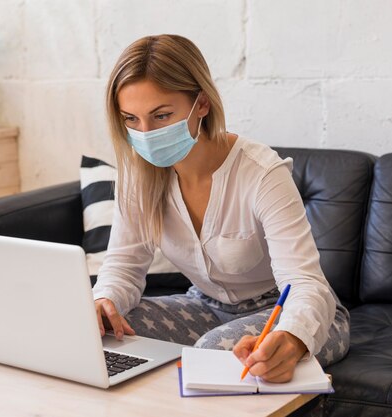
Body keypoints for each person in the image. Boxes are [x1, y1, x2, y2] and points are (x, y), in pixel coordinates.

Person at [92, 34, 350, 383]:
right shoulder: (137, 177)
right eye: (131, 120)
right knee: (103, 337)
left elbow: (305, 283)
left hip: (289, 313)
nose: (146, 134)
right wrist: (103, 301)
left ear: (201, 104)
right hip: (204, 305)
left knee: (213, 353)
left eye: (161, 115)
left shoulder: (262, 174)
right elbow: (123, 268)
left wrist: (291, 337)